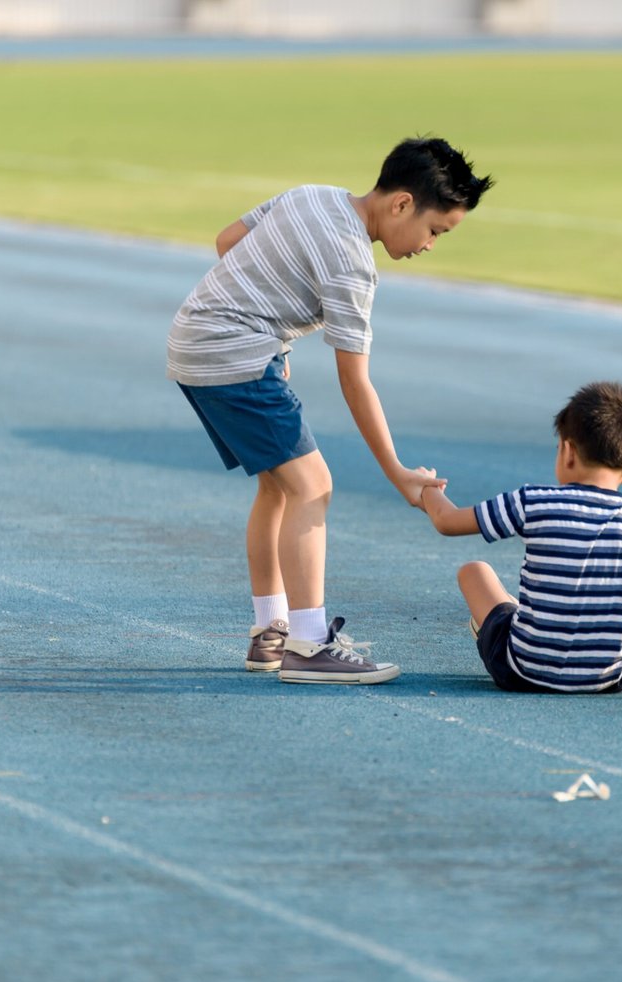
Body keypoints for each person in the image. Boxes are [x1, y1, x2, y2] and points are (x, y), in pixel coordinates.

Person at [168, 137, 493, 685]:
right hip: (232, 353)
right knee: (312, 487)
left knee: (278, 487)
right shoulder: (353, 267)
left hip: (193, 339)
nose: (431, 245)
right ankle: (309, 643)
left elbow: (229, 242)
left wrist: (273, 332)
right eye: (436, 231)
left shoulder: (312, 196)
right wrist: (397, 472)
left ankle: (270, 630)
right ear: (402, 205)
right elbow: (354, 380)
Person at [419, 382, 622, 698]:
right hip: (609, 677)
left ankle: (512, 619)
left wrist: (428, 488)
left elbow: (447, 521)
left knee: (474, 571)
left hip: (523, 669)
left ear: (567, 451)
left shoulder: (533, 501)